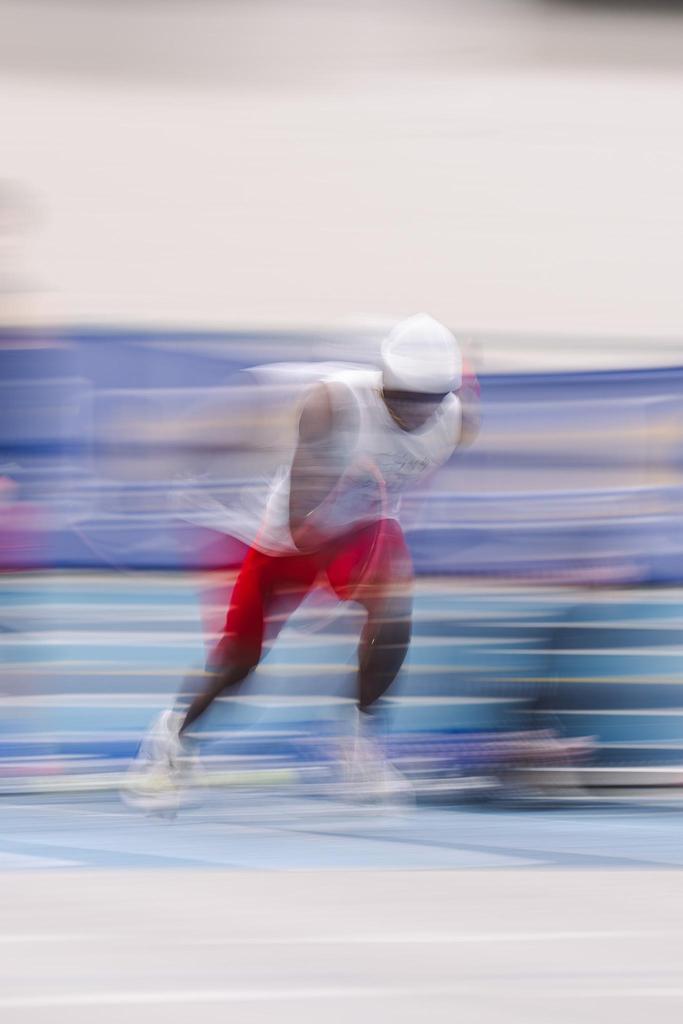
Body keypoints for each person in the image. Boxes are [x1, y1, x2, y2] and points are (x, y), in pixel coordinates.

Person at [128, 313, 480, 802]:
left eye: (431, 401)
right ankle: (172, 738)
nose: (416, 412)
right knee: (239, 663)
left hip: (363, 529)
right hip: (290, 539)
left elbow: (414, 474)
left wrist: (373, 568)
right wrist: (330, 575)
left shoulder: (457, 422)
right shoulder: (332, 406)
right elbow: (302, 525)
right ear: (384, 382)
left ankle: (359, 741)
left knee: (394, 611)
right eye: (403, 398)